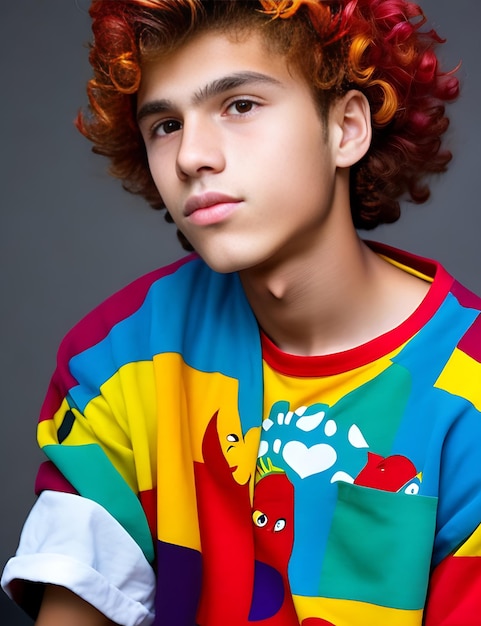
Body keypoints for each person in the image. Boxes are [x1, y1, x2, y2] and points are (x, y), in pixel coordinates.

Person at [2, 0, 480, 624]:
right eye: (165, 125)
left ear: (347, 129)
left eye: (240, 106)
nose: (191, 157)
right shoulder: (119, 358)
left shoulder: (467, 389)